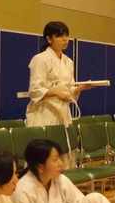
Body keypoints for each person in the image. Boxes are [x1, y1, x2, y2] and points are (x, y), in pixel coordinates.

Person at [25, 21, 93, 168]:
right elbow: (35, 89)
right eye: (60, 36)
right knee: (44, 153)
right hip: (45, 111)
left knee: (64, 152)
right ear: (49, 39)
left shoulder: (68, 61)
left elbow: (69, 90)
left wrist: (81, 88)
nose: (65, 39)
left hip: (63, 112)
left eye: (66, 35)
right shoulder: (40, 59)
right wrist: (56, 93)